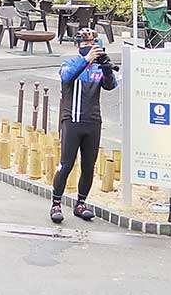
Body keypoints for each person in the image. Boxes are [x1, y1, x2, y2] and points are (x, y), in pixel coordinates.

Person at [49, 27, 118, 224]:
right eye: (85, 44)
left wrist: (105, 66)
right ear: (78, 45)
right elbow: (66, 77)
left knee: (89, 166)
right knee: (66, 165)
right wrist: (86, 59)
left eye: (92, 44)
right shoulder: (70, 63)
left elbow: (110, 85)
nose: (89, 47)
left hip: (93, 121)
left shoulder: (97, 67)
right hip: (71, 120)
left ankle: (81, 203)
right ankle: (56, 203)